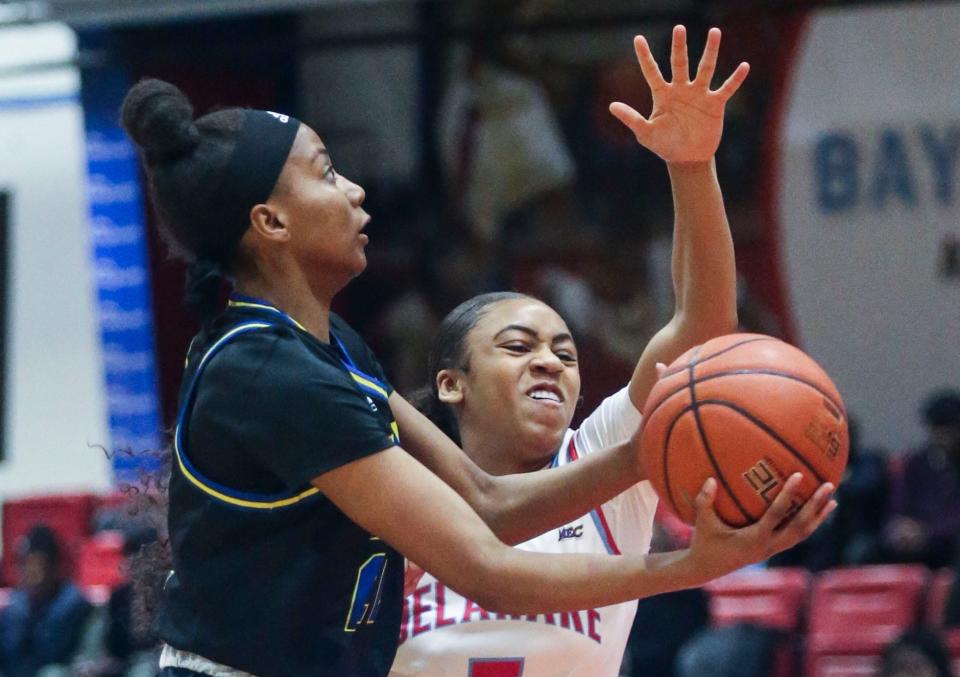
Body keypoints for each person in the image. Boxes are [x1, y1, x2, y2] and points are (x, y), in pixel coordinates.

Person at [120, 43, 835, 676]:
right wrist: (691, 566)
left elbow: (489, 506)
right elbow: (488, 566)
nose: (355, 189)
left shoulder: (332, 351)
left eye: (563, 348)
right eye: (327, 174)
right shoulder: (268, 370)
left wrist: (655, 448)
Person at [391, 26, 786, 676]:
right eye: (518, 345)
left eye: (565, 352)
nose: (549, 361)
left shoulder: (600, 458)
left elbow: (703, 323)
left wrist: (691, 166)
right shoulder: (398, 489)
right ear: (453, 383)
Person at [0, 524, 94, 677]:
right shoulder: (14, 608)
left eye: (38, 565)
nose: (31, 574)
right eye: (26, 565)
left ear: (54, 568)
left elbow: (55, 654)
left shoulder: (75, 605)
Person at [882, 389, 960, 569]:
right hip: (911, 541)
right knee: (868, 551)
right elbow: (898, 505)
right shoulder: (916, 463)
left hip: (945, 541)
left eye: (948, 429)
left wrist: (928, 532)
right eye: (936, 428)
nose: (942, 436)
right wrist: (899, 527)